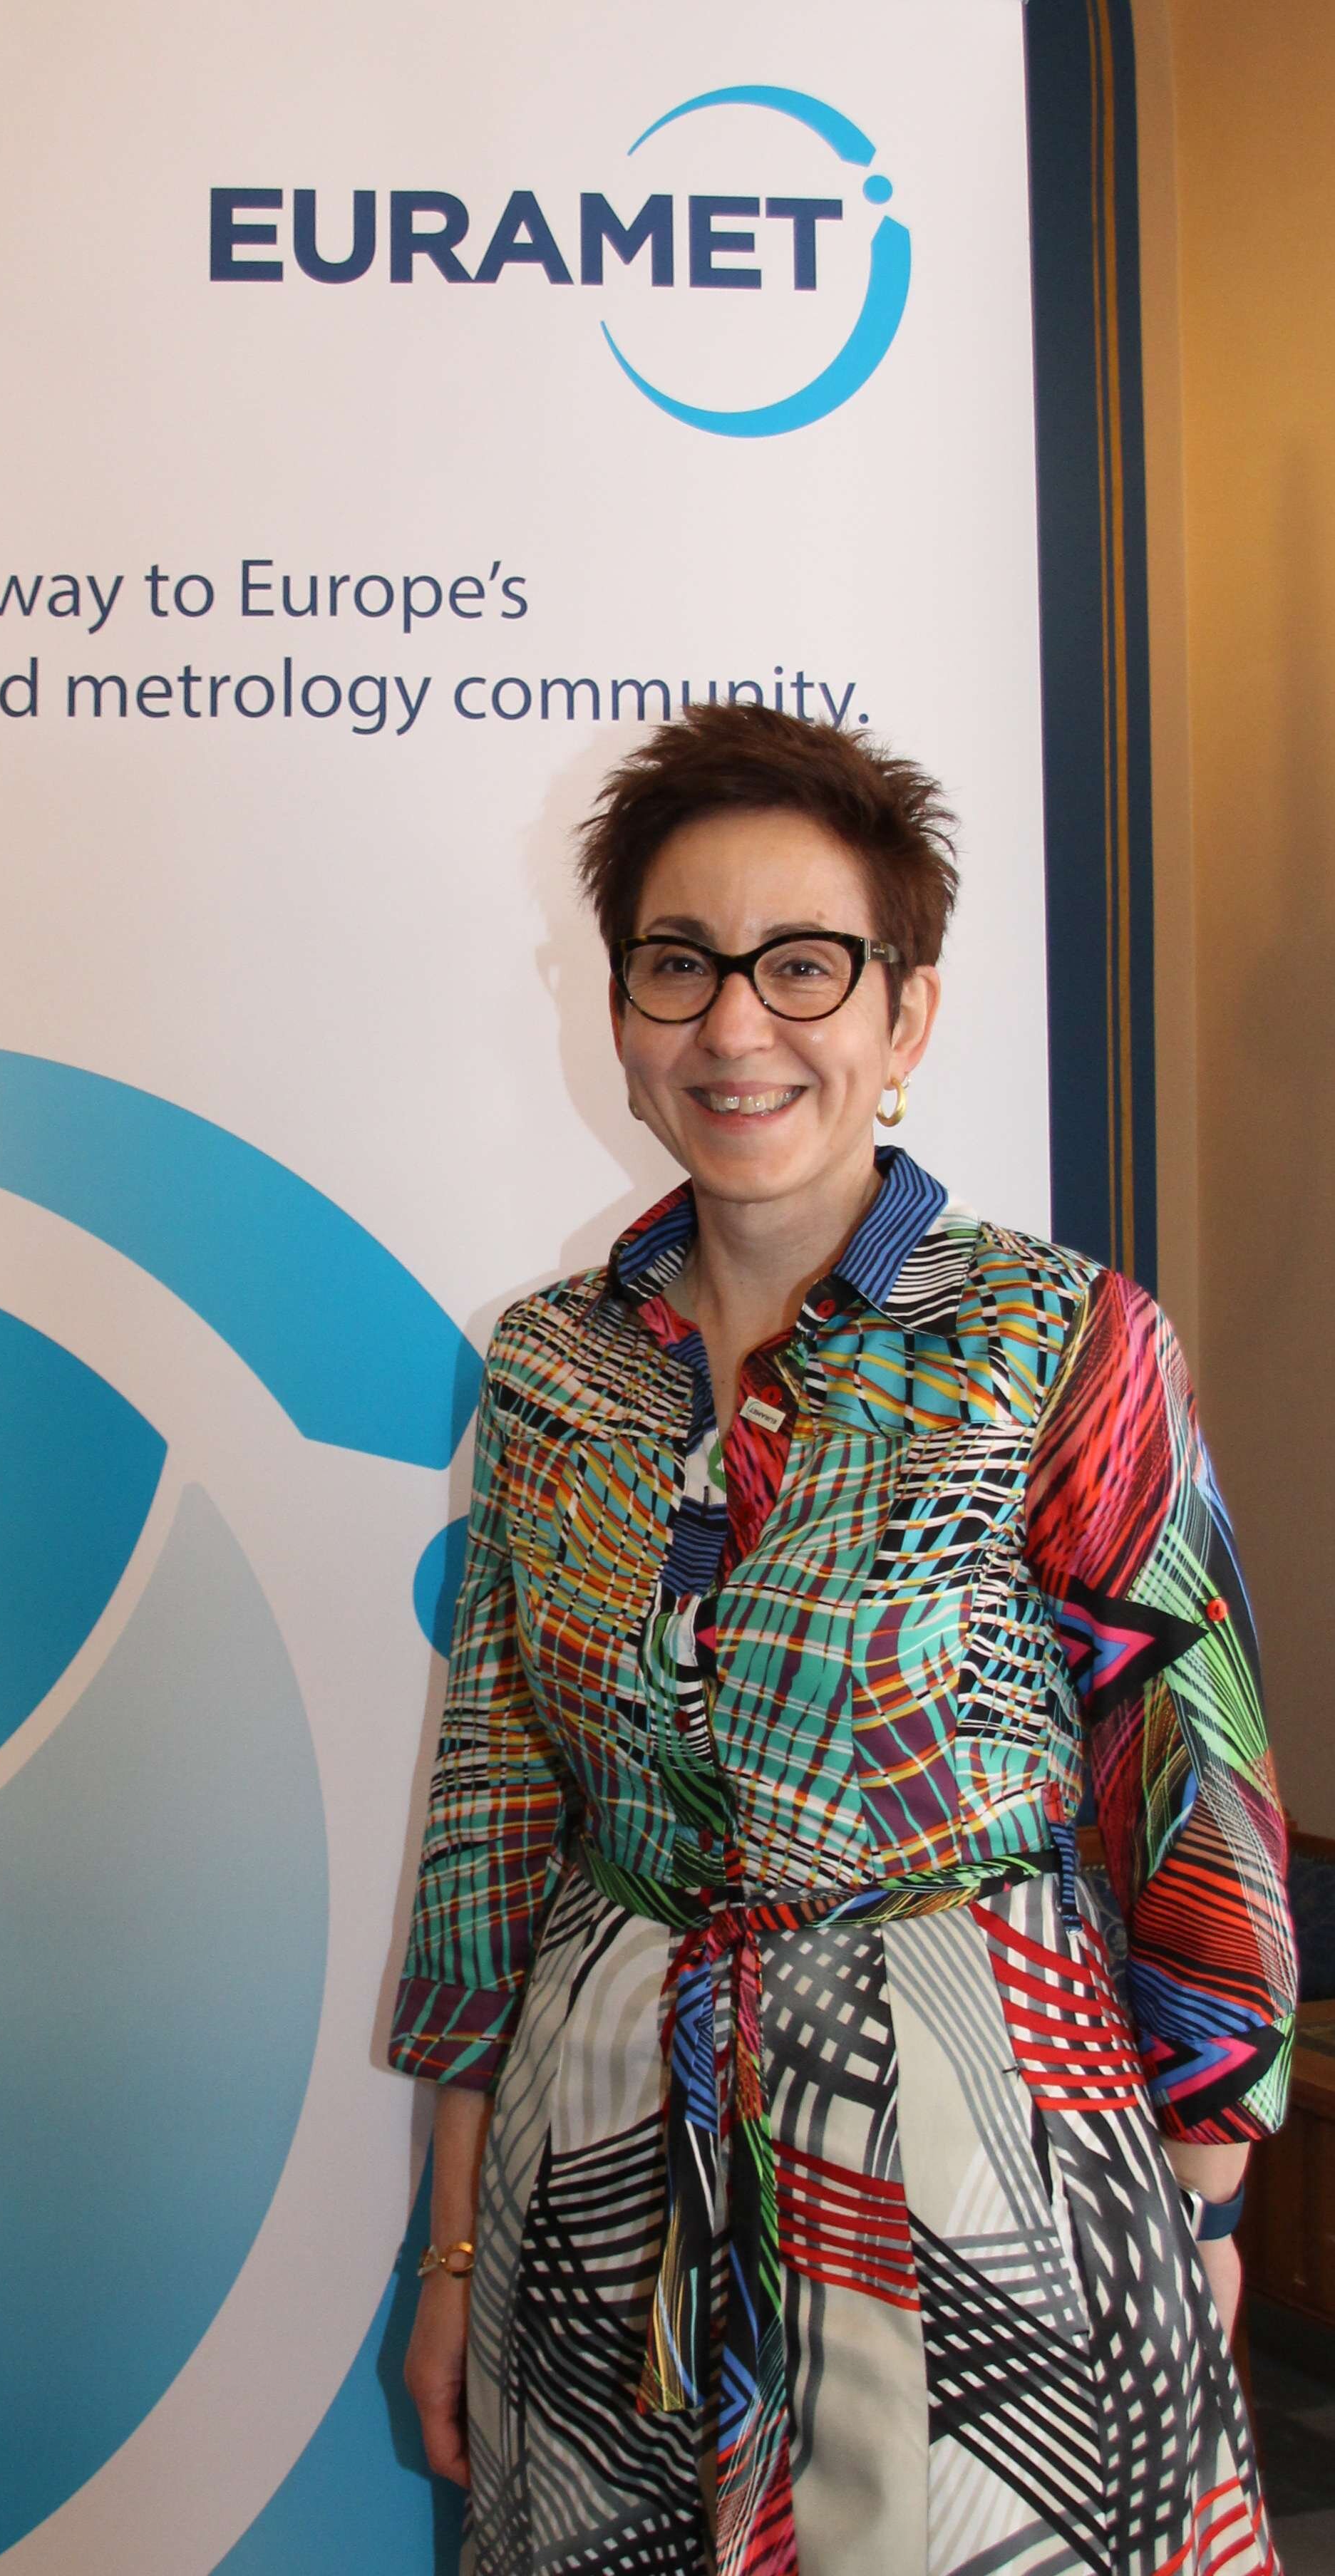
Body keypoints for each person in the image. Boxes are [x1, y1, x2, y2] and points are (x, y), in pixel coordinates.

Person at [389, 703, 1297, 2576]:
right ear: (622, 1011)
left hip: (984, 2155)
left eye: (803, 966)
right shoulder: (550, 1366)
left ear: (907, 1014)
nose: (737, 1028)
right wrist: (454, 2254)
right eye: (681, 965)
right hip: (598, 2160)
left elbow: (1192, 1791)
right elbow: (494, 1822)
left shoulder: (1061, 1343)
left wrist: (1202, 2211)